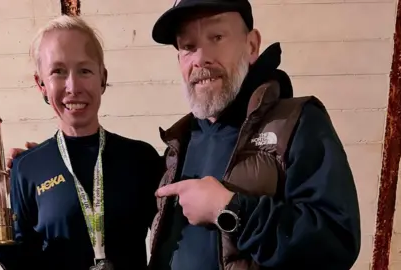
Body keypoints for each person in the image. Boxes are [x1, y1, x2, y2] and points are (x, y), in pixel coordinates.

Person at [146, 0, 361, 269]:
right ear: (179, 60)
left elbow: (337, 244)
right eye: (188, 47)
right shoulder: (178, 143)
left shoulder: (297, 122)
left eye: (217, 37)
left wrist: (229, 209)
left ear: (251, 45)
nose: (201, 58)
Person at [0, 15, 163, 270]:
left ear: (103, 78)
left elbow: (172, 246)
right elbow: (23, 264)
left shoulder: (141, 158)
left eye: (84, 70)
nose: (73, 86)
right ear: (41, 83)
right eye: (58, 72)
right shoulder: (27, 167)